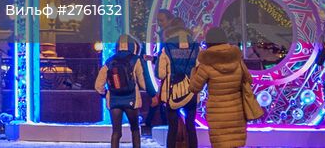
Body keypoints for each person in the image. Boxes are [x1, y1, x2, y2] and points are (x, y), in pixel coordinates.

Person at [185, 27, 254, 148]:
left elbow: (194, 88)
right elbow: (248, 80)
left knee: (220, 144)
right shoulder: (237, 60)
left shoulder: (206, 63)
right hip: (236, 112)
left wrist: (193, 71)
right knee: (234, 144)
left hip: (217, 113)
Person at [95, 34, 154, 148]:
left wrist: (105, 93)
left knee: (116, 132)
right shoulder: (135, 60)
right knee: (135, 129)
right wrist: (153, 93)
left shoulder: (110, 61)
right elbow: (143, 82)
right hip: (131, 99)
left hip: (114, 100)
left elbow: (98, 85)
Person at [155, 19, 199, 148]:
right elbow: (200, 69)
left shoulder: (167, 47)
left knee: (173, 127)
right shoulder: (196, 47)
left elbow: (160, 74)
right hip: (192, 91)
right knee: (191, 126)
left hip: (172, 92)